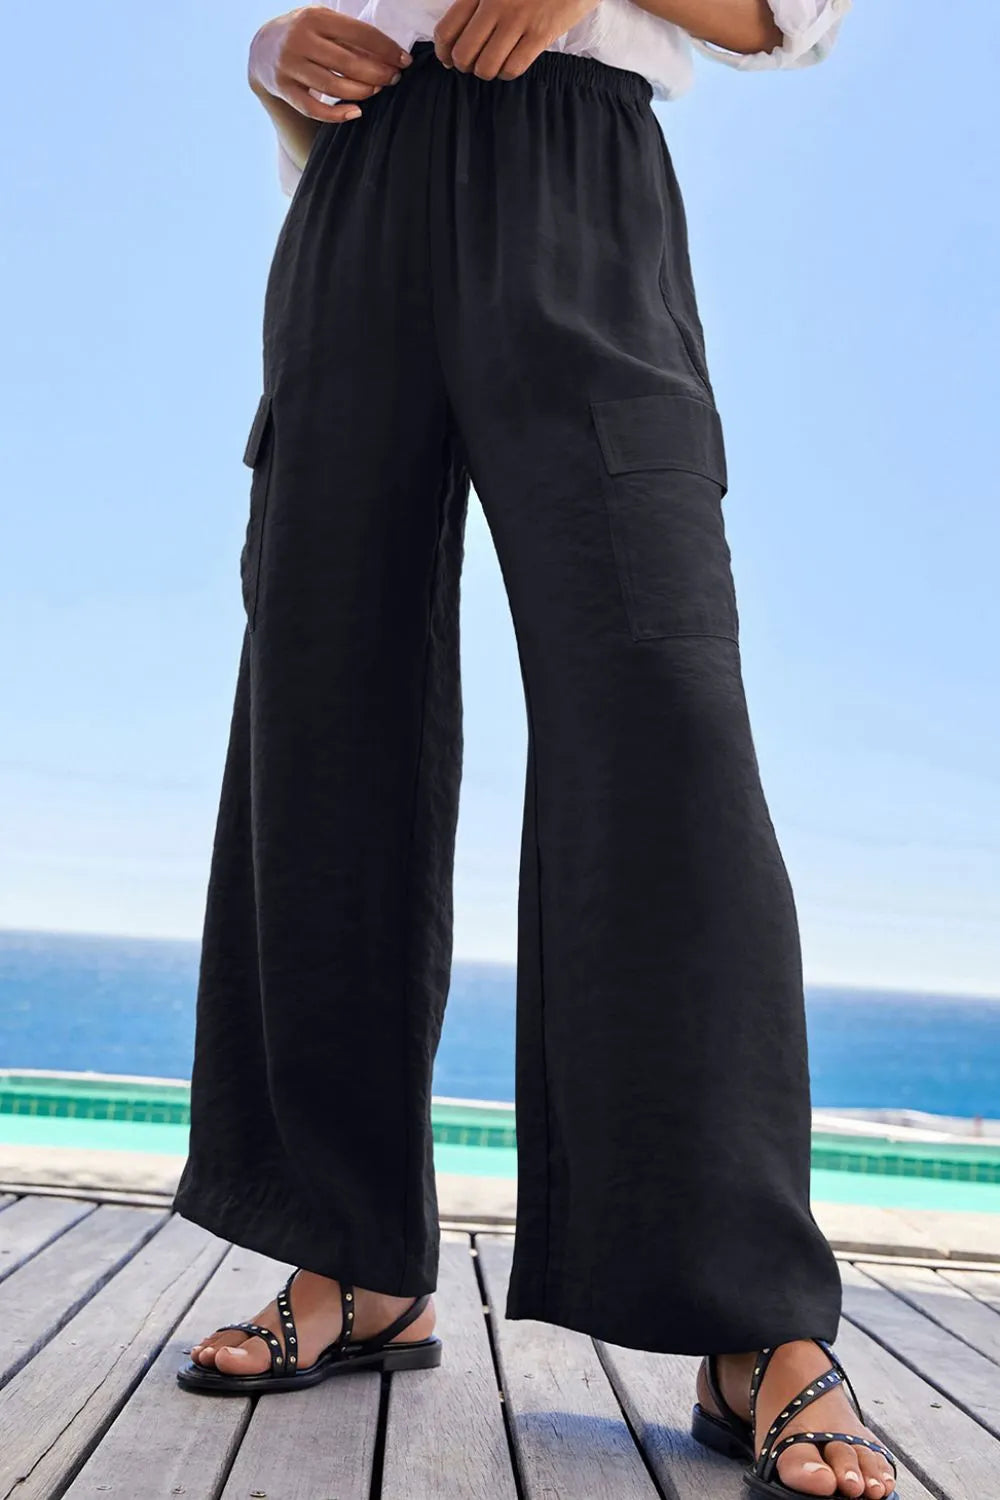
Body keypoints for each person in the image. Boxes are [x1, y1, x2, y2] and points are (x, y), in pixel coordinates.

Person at [172, 3, 899, 1497]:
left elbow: (794, 17)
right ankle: (353, 1257)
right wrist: (272, 57)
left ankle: (752, 1316)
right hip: (356, 190)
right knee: (322, 713)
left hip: (579, 171)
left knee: (661, 708)